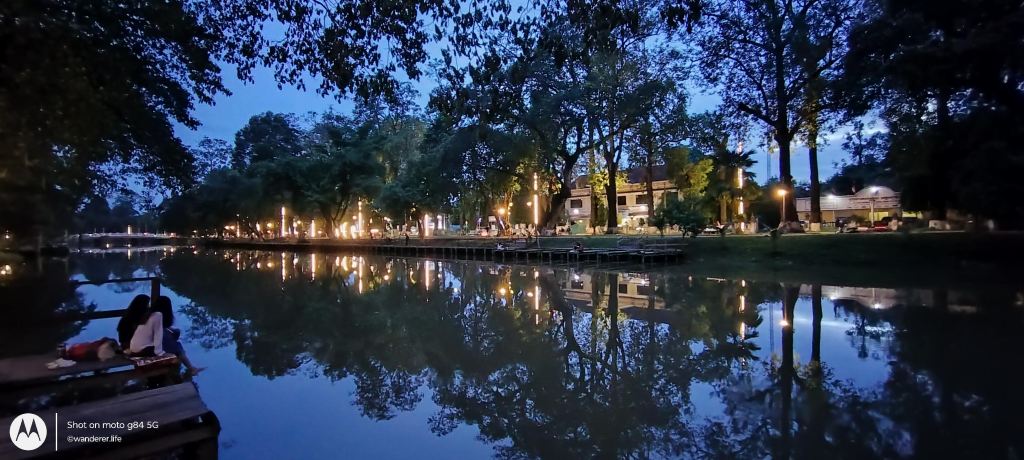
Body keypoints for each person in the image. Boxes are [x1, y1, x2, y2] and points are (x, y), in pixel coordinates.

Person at [129, 296, 205, 376]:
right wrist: (162, 353)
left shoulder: (149, 315)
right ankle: (188, 370)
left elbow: (161, 329)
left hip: (137, 347)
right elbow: (158, 337)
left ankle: (190, 368)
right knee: (176, 348)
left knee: (173, 342)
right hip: (144, 350)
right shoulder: (158, 316)